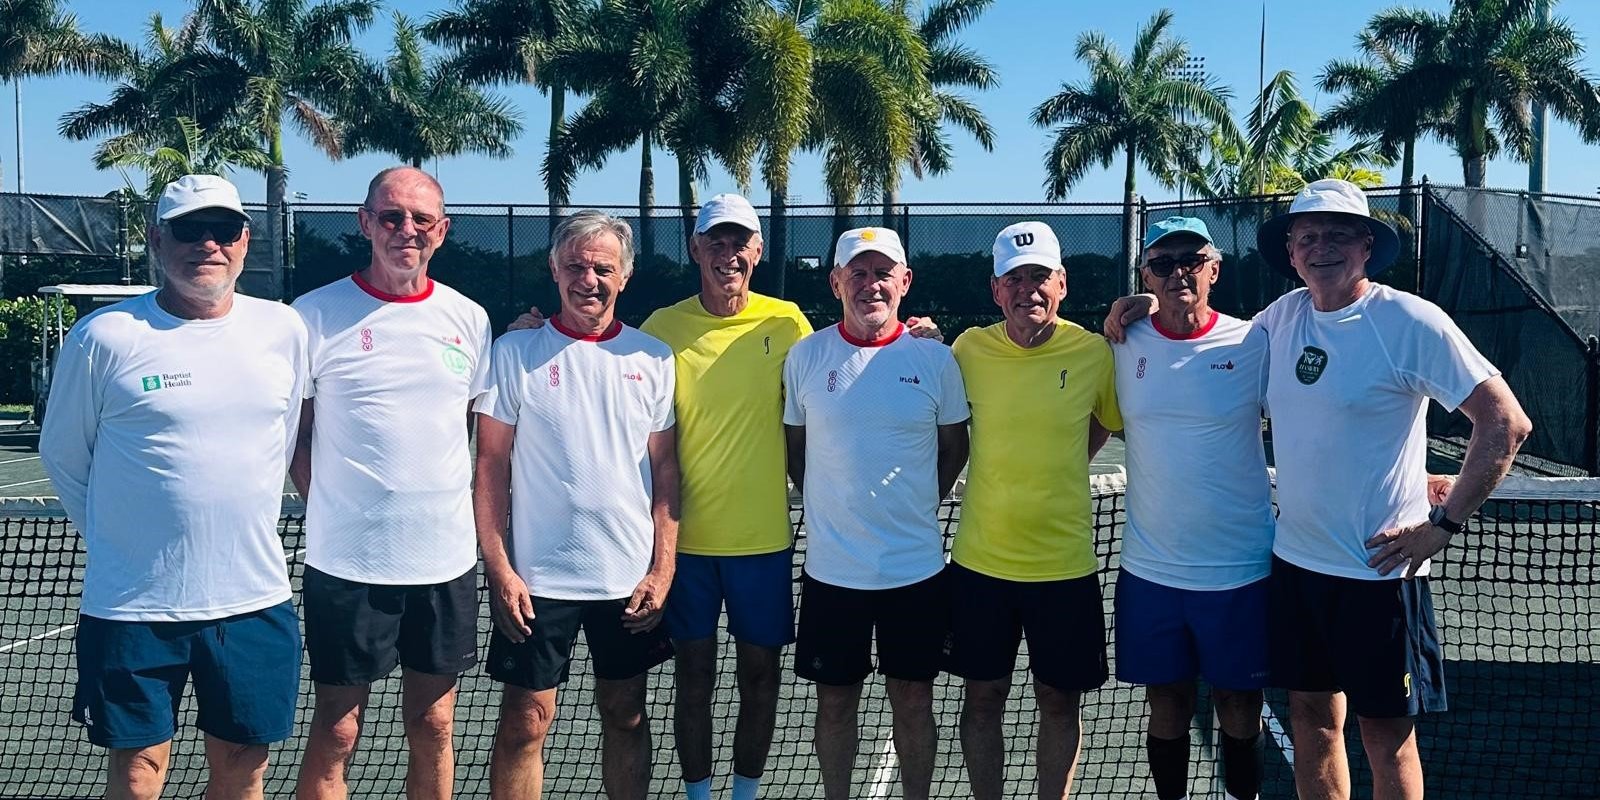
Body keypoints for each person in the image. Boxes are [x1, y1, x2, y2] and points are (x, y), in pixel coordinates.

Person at [1106, 180, 1532, 800]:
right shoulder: (1277, 322)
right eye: (1308, 236)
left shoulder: (1409, 320)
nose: (1321, 247)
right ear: (1292, 251)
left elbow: (1506, 422)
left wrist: (1442, 526)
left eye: (1338, 234)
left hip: (1380, 575)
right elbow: (1206, 345)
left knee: (1387, 739)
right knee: (1313, 724)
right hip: (1296, 570)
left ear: (1367, 245)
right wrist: (1137, 303)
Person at [40, 174, 307, 800]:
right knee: (138, 776)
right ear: (158, 240)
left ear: (245, 242)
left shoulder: (284, 330)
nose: (207, 244)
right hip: (132, 607)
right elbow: (65, 456)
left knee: (243, 767)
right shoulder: (103, 336)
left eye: (224, 230)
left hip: (252, 600)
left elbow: (286, 434)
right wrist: (125, 542)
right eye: (189, 229)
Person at [291, 166, 493, 800]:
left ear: (443, 230)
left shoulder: (470, 318)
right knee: (339, 728)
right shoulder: (313, 315)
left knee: (434, 725)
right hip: (346, 564)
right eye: (391, 216)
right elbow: (297, 437)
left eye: (422, 219)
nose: (407, 229)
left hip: (444, 562)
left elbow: (466, 429)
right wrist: (336, 508)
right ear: (365, 223)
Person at [475, 210, 680, 800]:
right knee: (525, 723)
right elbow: (489, 467)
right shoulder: (514, 351)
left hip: (627, 579)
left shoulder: (654, 358)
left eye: (603, 269)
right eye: (575, 266)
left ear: (625, 276)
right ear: (554, 270)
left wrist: (662, 569)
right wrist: (501, 570)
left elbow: (666, 471)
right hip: (537, 582)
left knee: (627, 714)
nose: (588, 280)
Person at [782, 227, 970, 800]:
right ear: (836, 282)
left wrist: (917, 505)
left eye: (883, 273)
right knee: (835, 703)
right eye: (857, 274)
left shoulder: (936, 359)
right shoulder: (805, 356)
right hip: (831, 574)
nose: (871, 285)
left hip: (916, 573)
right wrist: (834, 505)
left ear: (904, 282)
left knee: (913, 700)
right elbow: (796, 450)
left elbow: (954, 448)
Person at [944, 221, 1121, 799]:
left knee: (1059, 701)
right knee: (982, 699)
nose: (1029, 290)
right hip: (980, 566)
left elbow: (1104, 422)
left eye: (1040, 276)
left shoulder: (1094, 353)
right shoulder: (966, 349)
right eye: (1014, 279)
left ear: (1062, 283)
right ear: (996, 289)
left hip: (1065, 569)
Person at [1110, 217, 1272, 800]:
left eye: (1191, 260)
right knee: (1168, 701)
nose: (1178, 271)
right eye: (1162, 263)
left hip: (1240, 572)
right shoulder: (1121, 342)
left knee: (1239, 704)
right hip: (1151, 572)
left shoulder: (1255, 342)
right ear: (1145, 275)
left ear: (1214, 269)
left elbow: (1319, 413)